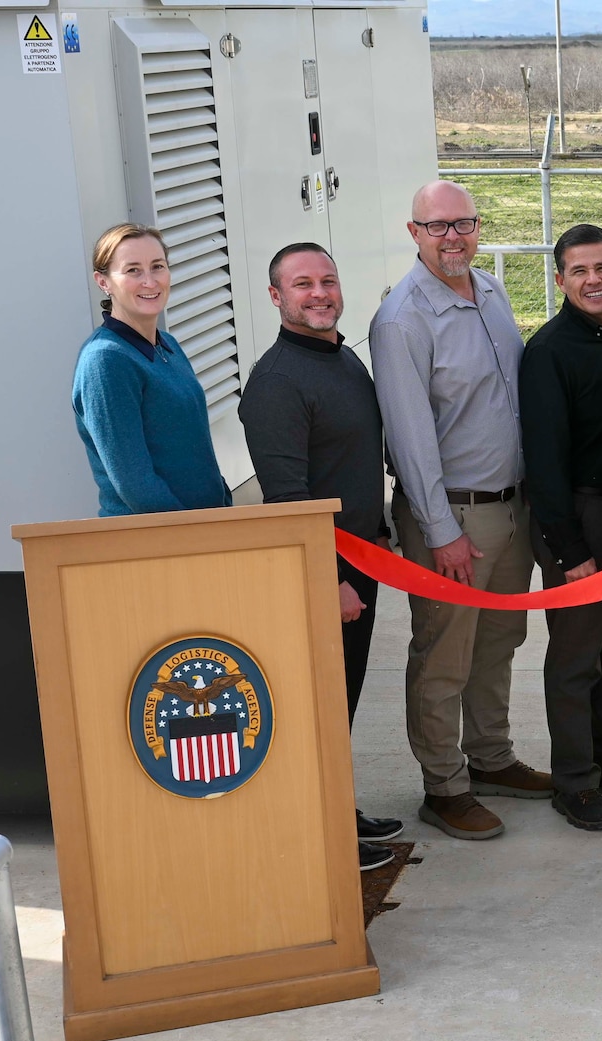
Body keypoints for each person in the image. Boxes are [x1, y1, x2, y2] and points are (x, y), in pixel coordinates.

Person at [373, 180, 549, 842]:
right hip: (453, 518)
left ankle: (493, 757)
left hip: (510, 509)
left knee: (498, 644)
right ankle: (444, 786)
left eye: (464, 224)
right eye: (438, 226)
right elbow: (411, 438)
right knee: (444, 652)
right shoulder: (402, 320)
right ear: (414, 232)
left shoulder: (492, 293)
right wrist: (441, 531)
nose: (454, 237)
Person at [238, 242, 403, 873]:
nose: (319, 293)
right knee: (318, 704)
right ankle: (324, 836)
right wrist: (328, 582)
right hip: (326, 572)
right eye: (302, 284)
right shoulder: (278, 383)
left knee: (344, 698)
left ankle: (340, 808)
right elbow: (288, 501)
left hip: (363, 559)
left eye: (327, 280)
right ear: (277, 298)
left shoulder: (342, 358)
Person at [518, 224, 602, 834]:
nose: (593, 280)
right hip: (579, 516)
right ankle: (574, 780)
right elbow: (543, 464)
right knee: (575, 657)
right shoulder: (548, 353)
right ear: (561, 280)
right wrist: (570, 551)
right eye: (579, 272)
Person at [73, 223, 230, 517]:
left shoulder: (166, 344)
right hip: (157, 541)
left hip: (205, 530)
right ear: (103, 281)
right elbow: (135, 483)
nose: (149, 281)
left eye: (157, 266)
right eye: (133, 270)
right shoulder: (106, 360)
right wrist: (195, 534)